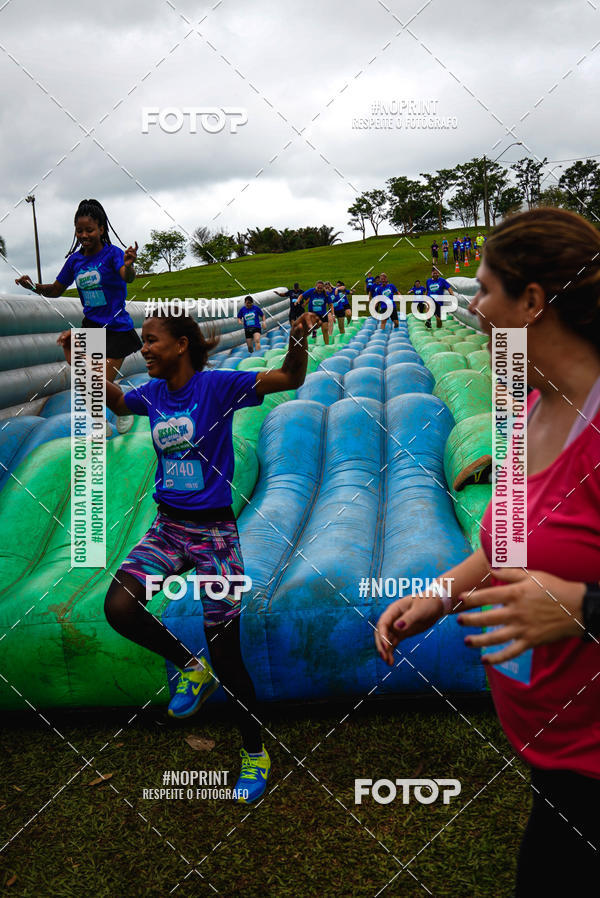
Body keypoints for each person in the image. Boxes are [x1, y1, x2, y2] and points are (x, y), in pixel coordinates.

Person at [375, 207, 600, 895]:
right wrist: (439, 596)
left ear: (531, 301)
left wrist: (584, 607)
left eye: (482, 289)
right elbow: (508, 542)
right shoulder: (535, 405)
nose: (470, 306)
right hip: (552, 747)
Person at [103, 306, 318, 803]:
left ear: (181, 344)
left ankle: (254, 752)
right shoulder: (153, 394)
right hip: (169, 526)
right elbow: (116, 401)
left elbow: (290, 376)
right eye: (142, 341)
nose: (145, 349)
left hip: (214, 533)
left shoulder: (218, 386)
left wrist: (299, 339)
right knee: (119, 606)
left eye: (152, 340)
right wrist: (84, 364)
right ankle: (187, 666)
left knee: (226, 652)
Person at [15, 198, 142, 432]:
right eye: (79, 230)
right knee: (89, 383)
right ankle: (100, 423)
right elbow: (55, 291)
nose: (84, 235)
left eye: (89, 230)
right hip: (92, 327)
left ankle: (125, 409)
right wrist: (32, 287)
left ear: (101, 229)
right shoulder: (75, 261)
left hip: (116, 330)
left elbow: (127, 276)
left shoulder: (113, 254)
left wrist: (130, 265)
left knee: (100, 383)